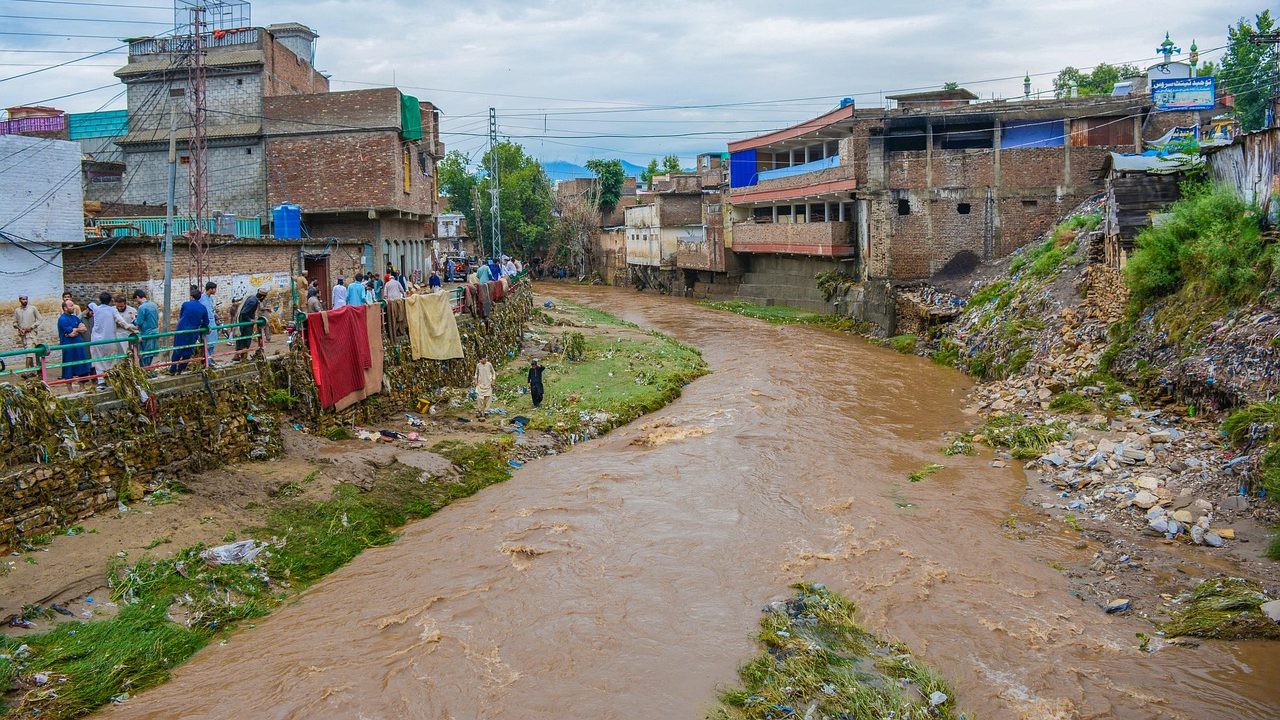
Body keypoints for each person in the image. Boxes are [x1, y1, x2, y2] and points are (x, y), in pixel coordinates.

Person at [87, 292, 136, 388]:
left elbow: (90, 304)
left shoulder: (96, 308)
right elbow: (122, 323)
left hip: (96, 339)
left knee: (98, 360)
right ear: (111, 301)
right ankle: (110, 378)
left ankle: (101, 381)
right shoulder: (112, 310)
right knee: (111, 360)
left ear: (100, 300)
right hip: (110, 339)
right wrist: (134, 330)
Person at [170, 286, 209, 374]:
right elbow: (206, 322)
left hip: (181, 330)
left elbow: (181, 316)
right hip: (193, 332)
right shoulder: (203, 307)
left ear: (191, 297)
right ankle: (180, 369)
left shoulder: (185, 304)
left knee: (177, 350)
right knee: (188, 352)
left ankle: (172, 369)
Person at [56, 300, 91, 384]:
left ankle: (82, 386)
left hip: (79, 344)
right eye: (71, 306)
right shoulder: (62, 319)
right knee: (69, 367)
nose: (73, 307)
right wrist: (77, 330)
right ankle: (70, 389)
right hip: (68, 346)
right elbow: (71, 334)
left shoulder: (75, 317)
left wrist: (76, 329)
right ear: (65, 308)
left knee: (82, 366)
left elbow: (84, 329)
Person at [235, 288, 268, 361]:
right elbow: (244, 312)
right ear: (262, 297)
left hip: (242, 322)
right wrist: (251, 320)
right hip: (245, 323)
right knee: (246, 340)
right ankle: (243, 358)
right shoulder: (253, 302)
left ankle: (237, 355)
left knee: (241, 339)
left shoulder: (252, 298)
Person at [12, 294, 42, 367]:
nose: (25, 301)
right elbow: (14, 323)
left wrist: (31, 327)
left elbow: (40, 319)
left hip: (31, 333)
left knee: (29, 351)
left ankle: (26, 371)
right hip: (23, 335)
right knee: (28, 351)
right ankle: (33, 371)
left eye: (26, 299)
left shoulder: (32, 308)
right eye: (23, 299)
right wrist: (19, 329)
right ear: (20, 300)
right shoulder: (17, 310)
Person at [133, 289, 159, 368]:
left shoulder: (142, 307)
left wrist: (133, 318)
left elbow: (139, 322)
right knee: (151, 353)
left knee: (145, 354)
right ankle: (147, 370)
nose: (136, 301)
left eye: (135, 299)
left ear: (137, 297)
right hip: (155, 331)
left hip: (146, 333)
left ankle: (145, 371)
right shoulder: (153, 305)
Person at [200, 282, 218, 360]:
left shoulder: (210, 298)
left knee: (212, 343)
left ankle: (210, 358)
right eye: (214, 289)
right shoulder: (202, 299)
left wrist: (214, 314)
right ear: (210, 289)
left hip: (212, 321)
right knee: (207, 343)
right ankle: (207, 361)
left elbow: (211, 310)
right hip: (207, 322)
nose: (215, 291)